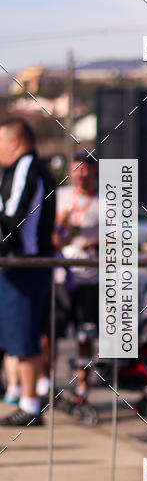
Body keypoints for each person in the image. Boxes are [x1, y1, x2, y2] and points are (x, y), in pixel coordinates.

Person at [0, 119, 56, 427]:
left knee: (24, 336)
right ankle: (28, 400)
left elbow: (11, 220)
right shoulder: (24, 167)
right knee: (21, 335)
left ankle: (30, 404)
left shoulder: (26, 167)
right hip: (24, 266)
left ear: (14, 141)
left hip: (25, 265)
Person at [53, 154, 100, 404]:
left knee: (85, 335)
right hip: (61, 277)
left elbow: (121, 239)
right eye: (76, 171)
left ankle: (82, 389)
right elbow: (50, 239)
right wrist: (60, 223)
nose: (80, 176)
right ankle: (47, 387)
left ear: (93, 172)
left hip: (90, 279)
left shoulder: (105, 201)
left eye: (85, 171)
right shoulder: (60, 197)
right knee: (52, 334)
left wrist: (98, 243)